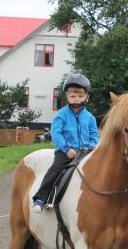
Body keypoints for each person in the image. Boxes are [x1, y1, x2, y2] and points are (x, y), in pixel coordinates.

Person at [32, 73, 100, 212]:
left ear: (87, 97)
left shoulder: (90, 118)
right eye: (73, 96)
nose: (76, 99)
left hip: (87, 152)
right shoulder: (61, 115)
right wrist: (66, 148)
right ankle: (41, 198)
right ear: (67, 97)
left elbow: (94, 135)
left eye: (80, 96)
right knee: (55, 169)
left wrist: (93, 145)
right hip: (66, 152)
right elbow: (56, 134)